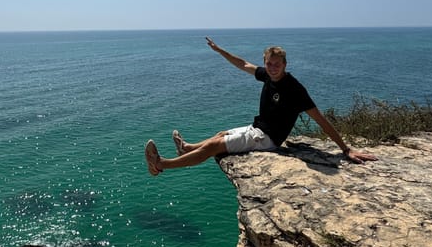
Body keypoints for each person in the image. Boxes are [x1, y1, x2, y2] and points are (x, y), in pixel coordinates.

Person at [144, 37, 377, 176]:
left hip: (267, 139)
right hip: (258, 129)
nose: (272, 68)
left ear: (285, 64)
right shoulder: (267, 75)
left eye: (277, 64)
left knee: (214, 146)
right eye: (269, 64)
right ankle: (186, 148)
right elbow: (242, 64)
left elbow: (321, 120)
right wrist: (220, 51)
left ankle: (161, 165)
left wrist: (345, 150)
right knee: (220, 134)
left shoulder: (294, 89)